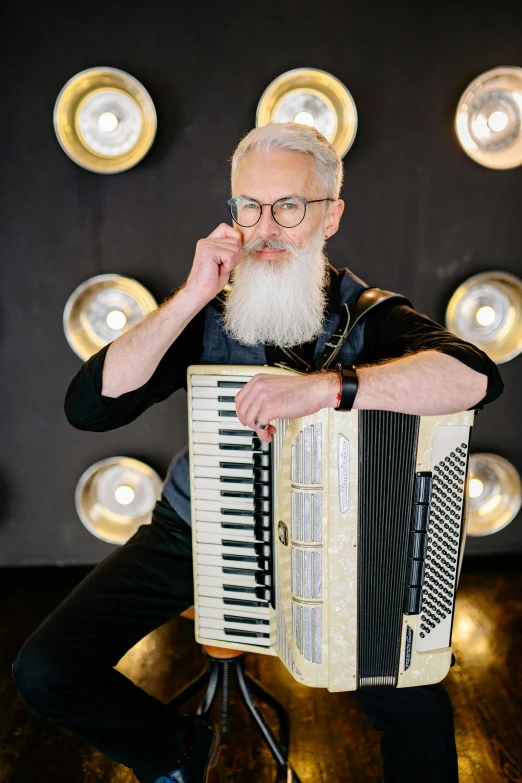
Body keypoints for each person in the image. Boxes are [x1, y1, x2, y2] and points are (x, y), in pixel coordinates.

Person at [12, 122, 503, 783]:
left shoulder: (370, 318)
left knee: (418, 713)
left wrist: (329, 388)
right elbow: (90, 406)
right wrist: (189, 294)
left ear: (330, 215)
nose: (266, 227)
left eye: (290, 206)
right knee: (46, 669)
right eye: (250, 205)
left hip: (335, 548)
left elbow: (474, 375)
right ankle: (179, 753)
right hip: (199, 531)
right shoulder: (207, 312)